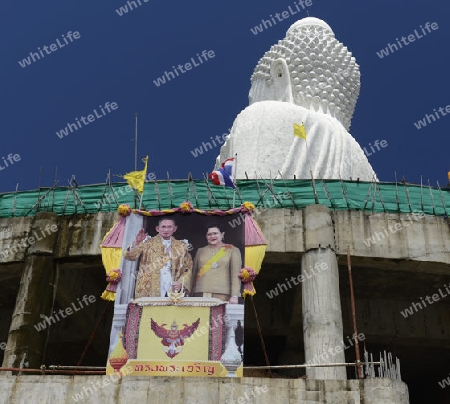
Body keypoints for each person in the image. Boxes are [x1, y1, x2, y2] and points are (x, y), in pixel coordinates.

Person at [124, 217, 193, 298]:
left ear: (175, 228)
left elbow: (188, 268)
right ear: (157, 228)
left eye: (169, 227)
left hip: (172, 287)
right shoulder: (148, 243)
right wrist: (137, 243)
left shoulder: (181, 246)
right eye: (163, 227)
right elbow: (131, 256)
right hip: (149, 287)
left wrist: (181, 283)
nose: (166, 230)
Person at [192, 224, 242, 303]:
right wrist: (189, 292)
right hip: (200, 292)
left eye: (215, 233)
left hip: (222, 293)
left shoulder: (232, 250)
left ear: (222, 234)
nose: (212, 236)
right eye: (209, 234)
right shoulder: (200, 251)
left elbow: (235, 275)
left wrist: (234, 295)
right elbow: (193, 273)